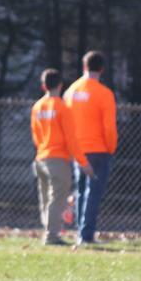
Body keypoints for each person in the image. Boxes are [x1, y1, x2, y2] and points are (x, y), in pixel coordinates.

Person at [30, 68, 93, 245]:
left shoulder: (37, 107)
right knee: (57, 197)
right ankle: (52, 235)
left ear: (43, 86)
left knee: (45, 198)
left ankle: (48, 231)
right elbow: (71, 138)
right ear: (60, 85)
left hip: (41, 157)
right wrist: (83, 162)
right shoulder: (62, 107)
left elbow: (36, 136)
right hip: (57, 159)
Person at [64, 50, 118, 244]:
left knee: (80, 191)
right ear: (101, 69)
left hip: (77, 149)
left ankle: (81, 232)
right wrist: (111, 147)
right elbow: (109, 127)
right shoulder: (104, 94)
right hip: (98, 149)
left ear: (84, 66)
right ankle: (86, 235)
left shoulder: (70, 92)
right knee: (93, 193)